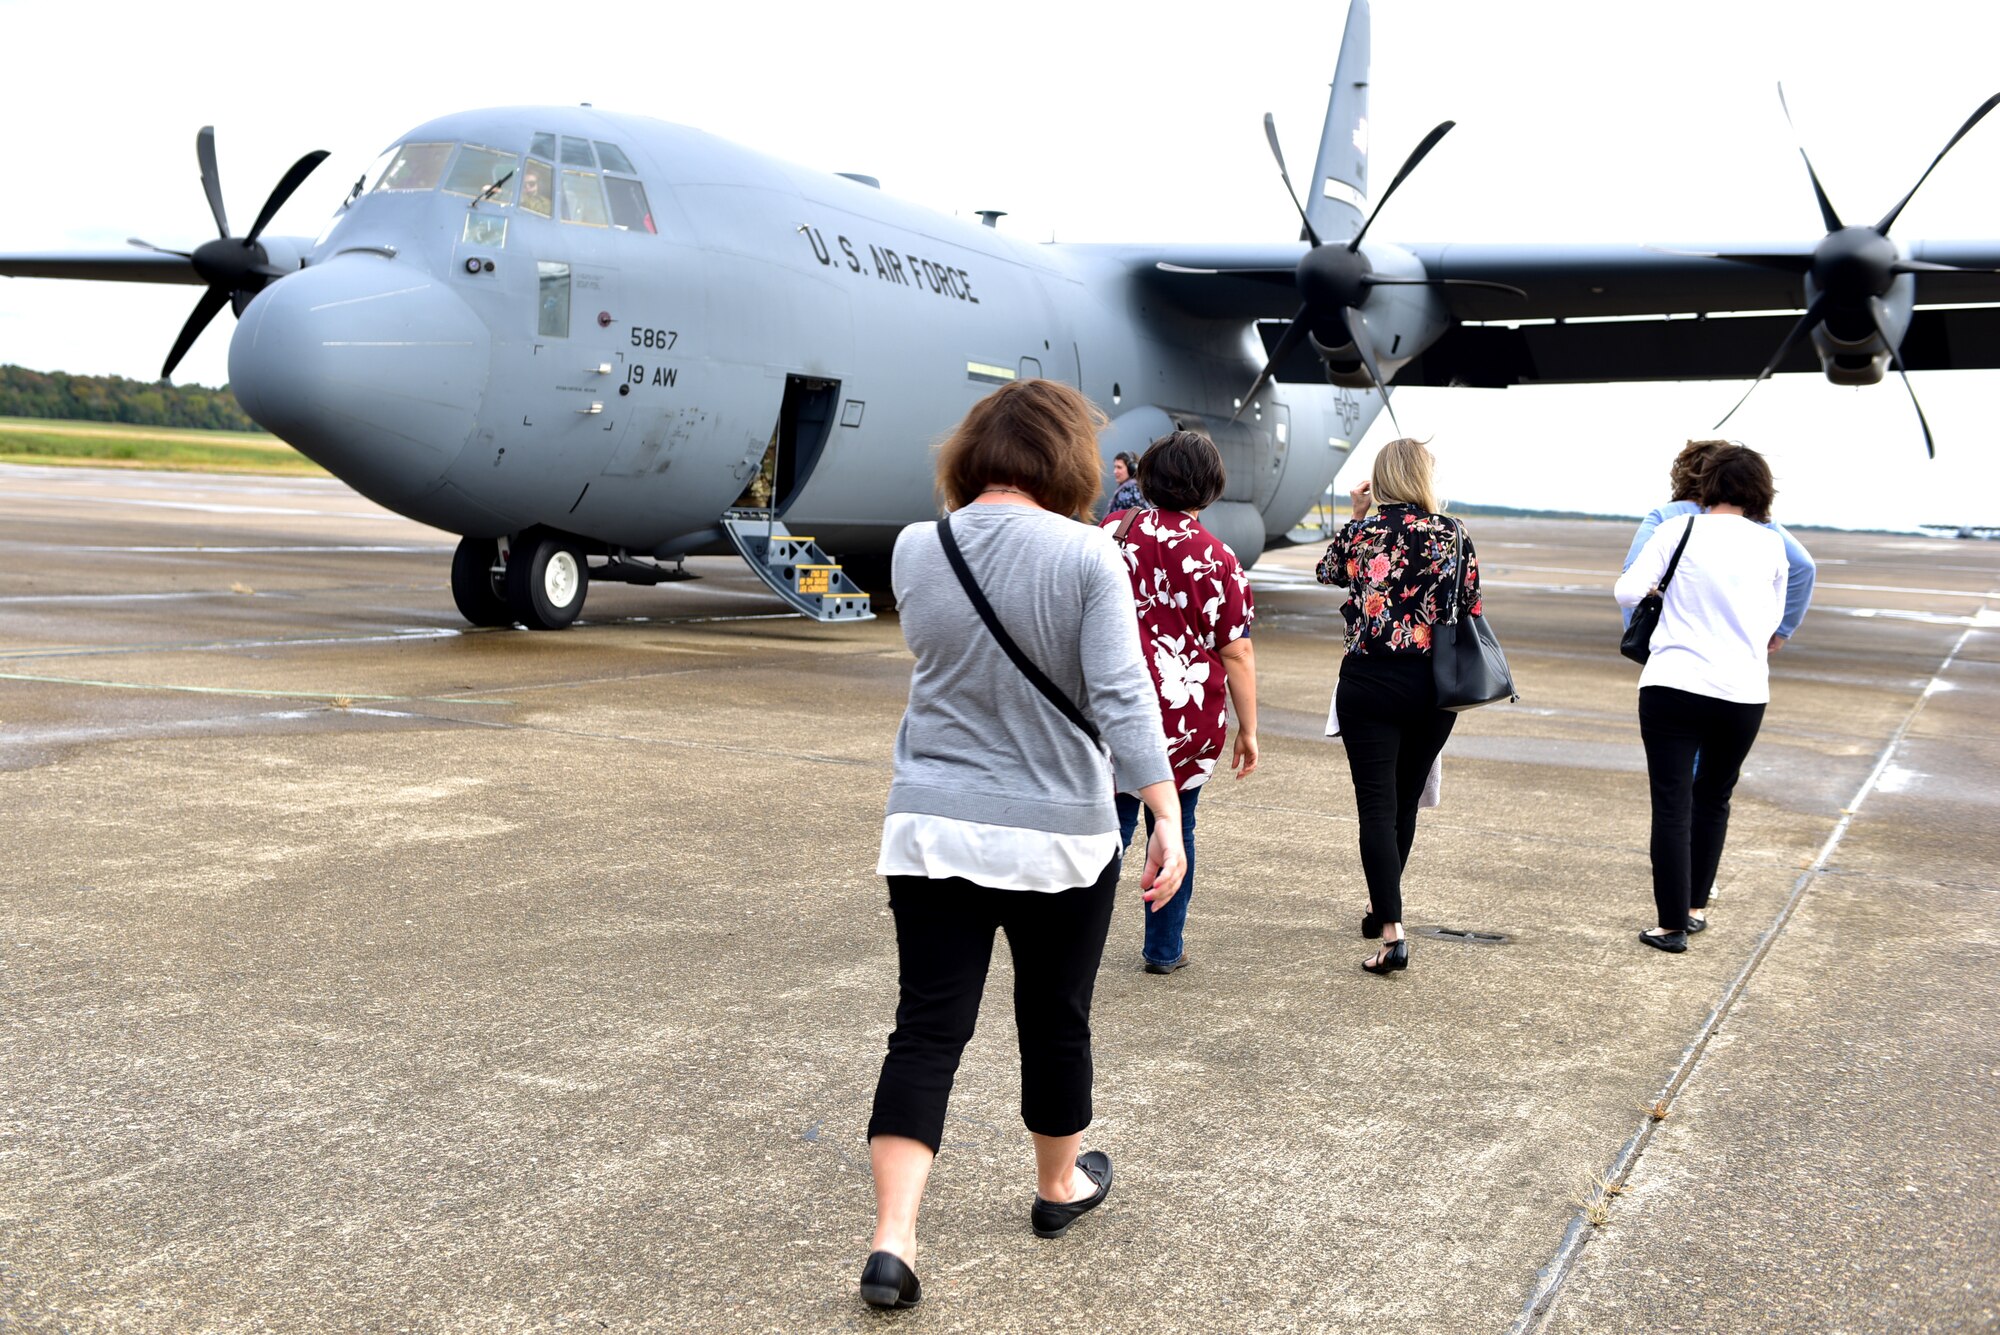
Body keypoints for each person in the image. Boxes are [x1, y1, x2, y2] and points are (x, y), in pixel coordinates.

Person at [860, 378, 1186, 1310]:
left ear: (970, 453)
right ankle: (1058, 1185)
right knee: (1054, 1018)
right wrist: (1164, 810)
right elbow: (1121, 694)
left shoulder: (918, 549)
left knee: (925, 1030)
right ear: (1066, 461)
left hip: (931, 823)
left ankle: (894, 1239)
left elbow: (943, 659)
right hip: (1059, 835)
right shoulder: (1091, 554)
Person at [1315, 438, 1481, 976]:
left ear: (1381, 478)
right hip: (1436, 686)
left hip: (1369, 681)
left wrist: (1357, 514)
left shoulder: (1365, 533)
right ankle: (1380, 909)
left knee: (1376, 805)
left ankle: (1391, 930)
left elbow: (1327, 572)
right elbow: (1470, 604)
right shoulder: (1453, 535)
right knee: (1405, 799)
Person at [1615, 444, 1787, 953]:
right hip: (1743, 691)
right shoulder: (1771, 544)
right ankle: (1694, 910)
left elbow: (1627, 592)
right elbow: (1773, 619)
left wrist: (1664, 597)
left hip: (1675, 683)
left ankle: (1669, 928)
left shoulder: (1678, 530)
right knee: (1715, 797)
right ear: (1759, 489)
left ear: (1707, 485)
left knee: (1671, 804)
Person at [1103, 431, 1259, 975]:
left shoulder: (1111, 532)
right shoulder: (1217, 557)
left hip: (1111, 707)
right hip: (1184, 715)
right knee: (1176, 827)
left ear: (1146, 476)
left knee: (1109, 829)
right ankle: (1164, 951)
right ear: (1210, 487)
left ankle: (1074, 937)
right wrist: (1249, 728)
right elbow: (1235, 650)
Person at [1622, 439, 1816, 654]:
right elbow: (1804, 566)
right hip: (1737, 646)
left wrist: (1635, 632)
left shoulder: (1666, 517)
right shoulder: (1760, 522)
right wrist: (1781, 630)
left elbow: (1632, 574)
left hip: (1672, 646)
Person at [1106, 451, 1145, 515]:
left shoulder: (1129, 490)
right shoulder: (1134, 487)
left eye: (1119, 467)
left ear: (1132, 468)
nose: (1115, 471)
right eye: (1115, 467)